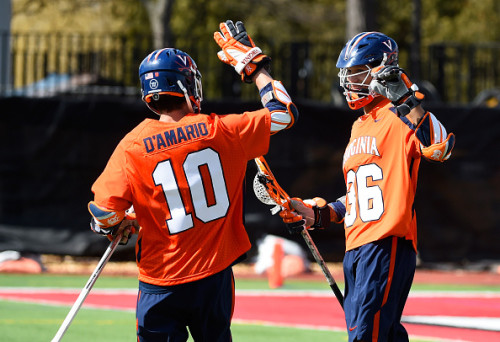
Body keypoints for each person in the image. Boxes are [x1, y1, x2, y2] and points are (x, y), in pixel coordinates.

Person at [87, 20, 298, 342]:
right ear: (187, 86)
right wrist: (256, 68)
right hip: (213, 275)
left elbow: (104, 213)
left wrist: (121, 223)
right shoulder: (221, 130)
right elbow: (284, 113)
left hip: (160, 278)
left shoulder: (132, 145)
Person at [279, 31, 455, 342]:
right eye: (346, 75)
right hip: (357, 249)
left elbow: (440, 147)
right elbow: (360, 196)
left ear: (380, 69)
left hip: (386, 245)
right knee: (383, 335)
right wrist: (318, 214)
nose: (348, 83)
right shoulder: (360, 124)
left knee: (365, 337)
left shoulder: (401, 114)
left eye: (356, 73)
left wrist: (406, 100)